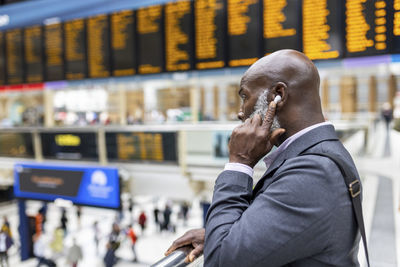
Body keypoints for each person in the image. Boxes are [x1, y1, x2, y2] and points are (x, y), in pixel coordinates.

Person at [165, 50, 362, 266]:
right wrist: (223, 233)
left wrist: (239, 163)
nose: (241, 112)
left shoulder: (313, 172)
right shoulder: (321, 154)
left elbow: (221, 261)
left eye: (245, 97)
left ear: (278, 94)